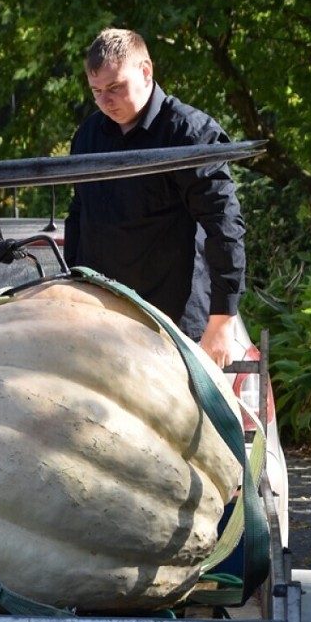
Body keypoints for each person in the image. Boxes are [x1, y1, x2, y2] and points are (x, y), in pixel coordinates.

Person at [64, 27, 245, 368]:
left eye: (115, 88)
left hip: (177, 328)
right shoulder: (88, 136)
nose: (105, 101)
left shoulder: (190, 135)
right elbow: (80, 216)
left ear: (146, 71)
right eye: (96, 91)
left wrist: (222, 320)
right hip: (104, 324)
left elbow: (225, 226)